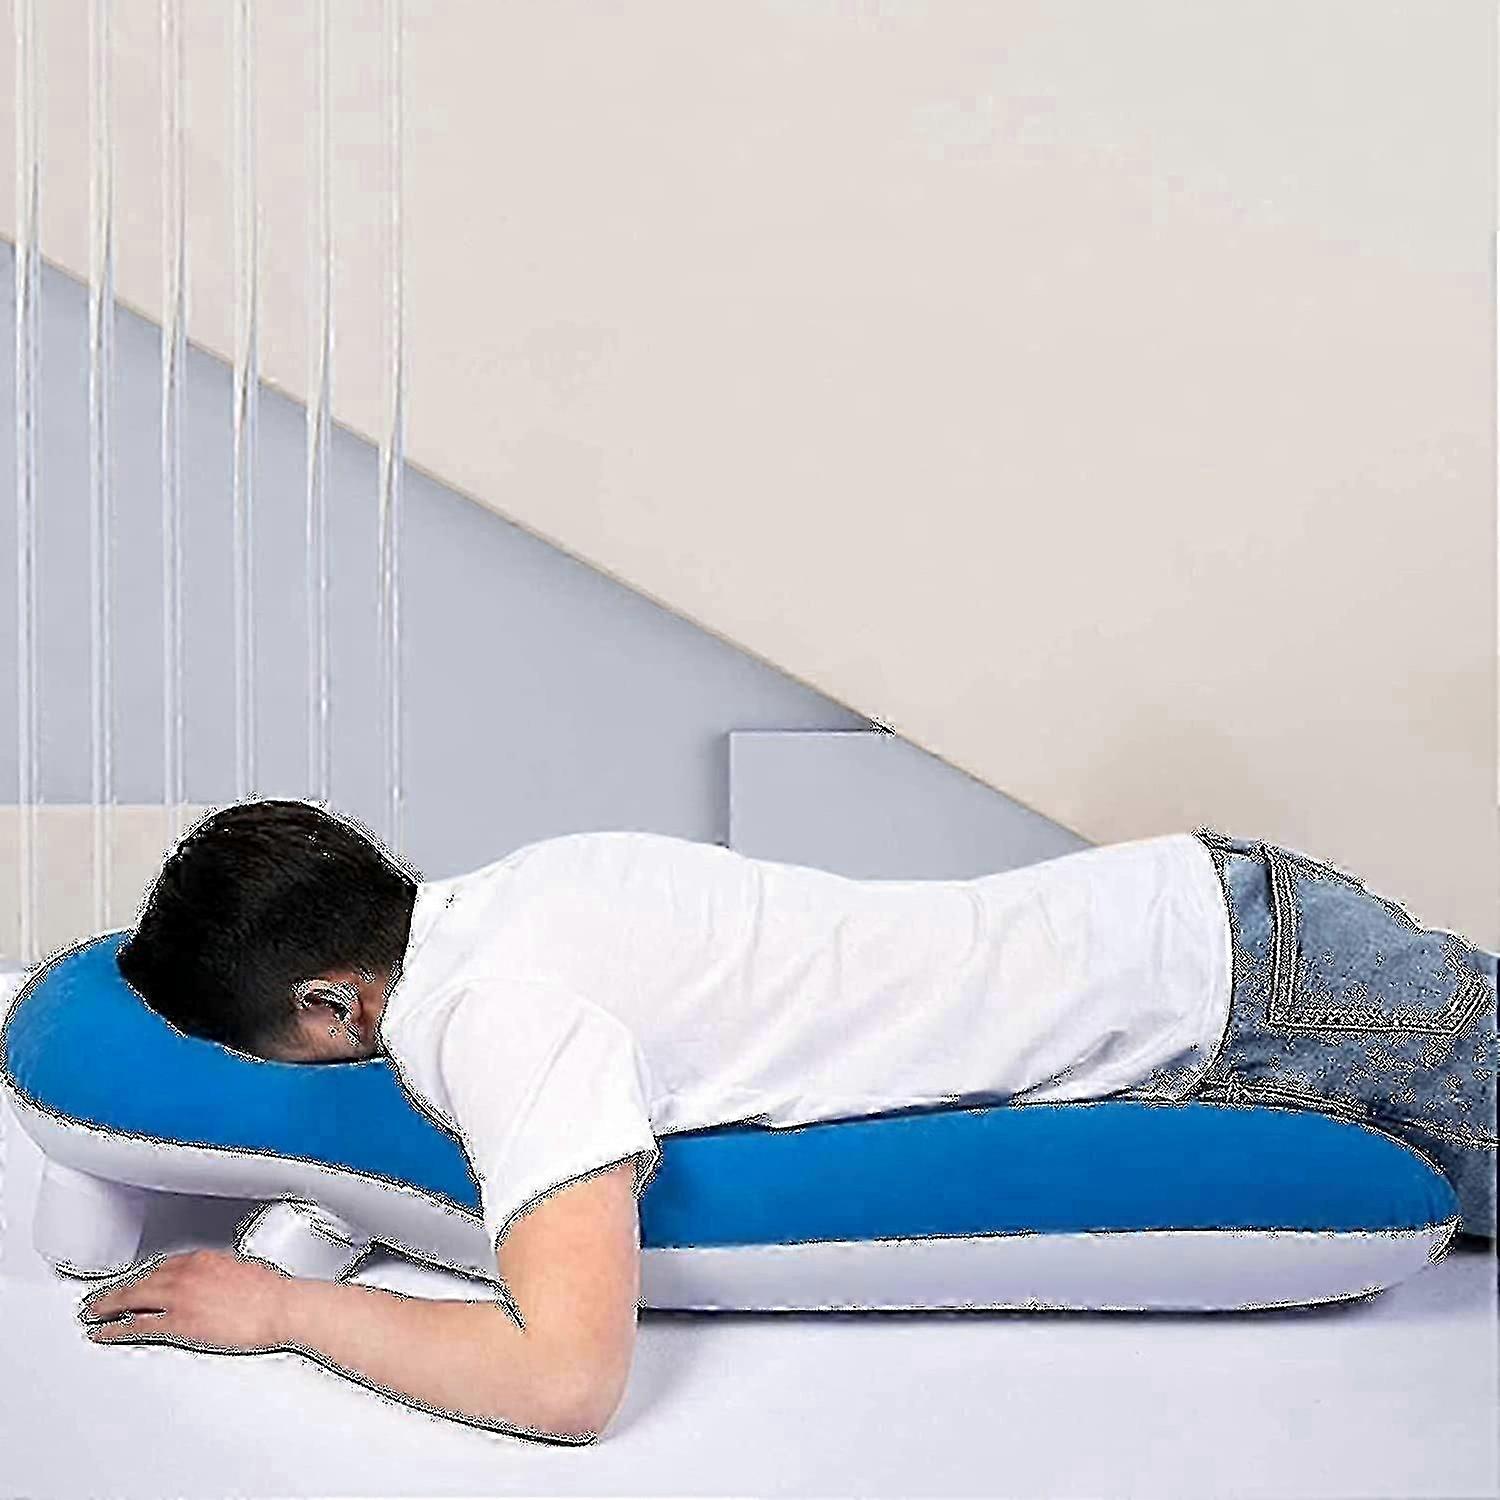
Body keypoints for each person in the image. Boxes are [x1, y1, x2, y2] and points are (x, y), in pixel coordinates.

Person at [87, 799, 1497, 1442]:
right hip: (1220, 929)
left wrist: (285, 1312)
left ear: (333, 1000)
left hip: (1253, 999)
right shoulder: (531, 884)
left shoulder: (495, 1015)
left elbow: (563, 1382)